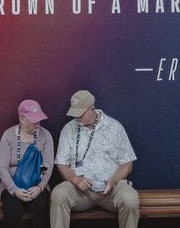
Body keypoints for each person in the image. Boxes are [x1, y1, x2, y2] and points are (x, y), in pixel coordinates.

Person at [50, 90, 138, 228]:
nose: (77, 117)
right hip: (80, 192)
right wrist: (75, 180)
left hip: (111, 190)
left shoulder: (114, 127)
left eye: (80, 113)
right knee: (58, 194)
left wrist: (113, 181)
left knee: (130, 199)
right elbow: (62, 164)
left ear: (92, 109)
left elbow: (127, 163)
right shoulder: (68, 129)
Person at [0, 99, 56, 222]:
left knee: (40, 206)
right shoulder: (8, 135)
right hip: (11, 186)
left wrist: (39, 187)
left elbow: (47, 165)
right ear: (22, 118)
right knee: (13, 209)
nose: (37, 124)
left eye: (39, 119)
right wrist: (14, 190)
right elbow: (2, 169)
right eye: (34, 120)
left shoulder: (46, 136)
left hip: (37, 186)